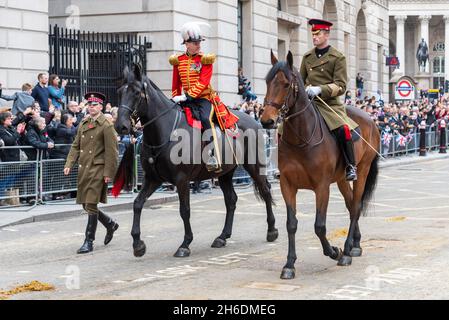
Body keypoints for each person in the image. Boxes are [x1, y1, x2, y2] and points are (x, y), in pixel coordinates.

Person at [169, 21, 239, 172]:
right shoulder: (178, 61)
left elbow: (203, 82)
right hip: (184, 99)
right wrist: (176, 97)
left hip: (204, 99)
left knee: (206, 120)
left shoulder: (205, 60)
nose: (199, 45)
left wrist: (187, 96)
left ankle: (212, 155)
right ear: (187, 44)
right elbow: (175, 84)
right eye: (195, 42)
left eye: (199, 42)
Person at [300, 18, 359, 181]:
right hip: (309, 103)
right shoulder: (307, 57)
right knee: (284, 127)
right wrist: (303, 89)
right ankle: (282, 163)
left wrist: (320, 89)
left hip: (329, 104)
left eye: (318, 34)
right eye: (313, 33)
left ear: (327, 34)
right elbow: (301, 79)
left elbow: (341, 85)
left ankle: (350, 166)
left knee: (343, 129)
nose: (314, 37)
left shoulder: (337, 57)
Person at [64, 92, 119, 254]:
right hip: (84, 168)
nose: (91, 107)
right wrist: (69, 163)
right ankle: (110, 223)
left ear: (101, 107)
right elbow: (76, 145)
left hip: (98, 169)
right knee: (85, 203)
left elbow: (112, 152)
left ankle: (89, 241)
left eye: (94, 105)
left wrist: (109, 172)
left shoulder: (106, 125)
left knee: (91, 204)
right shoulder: (84, 123)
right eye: (89, 104)